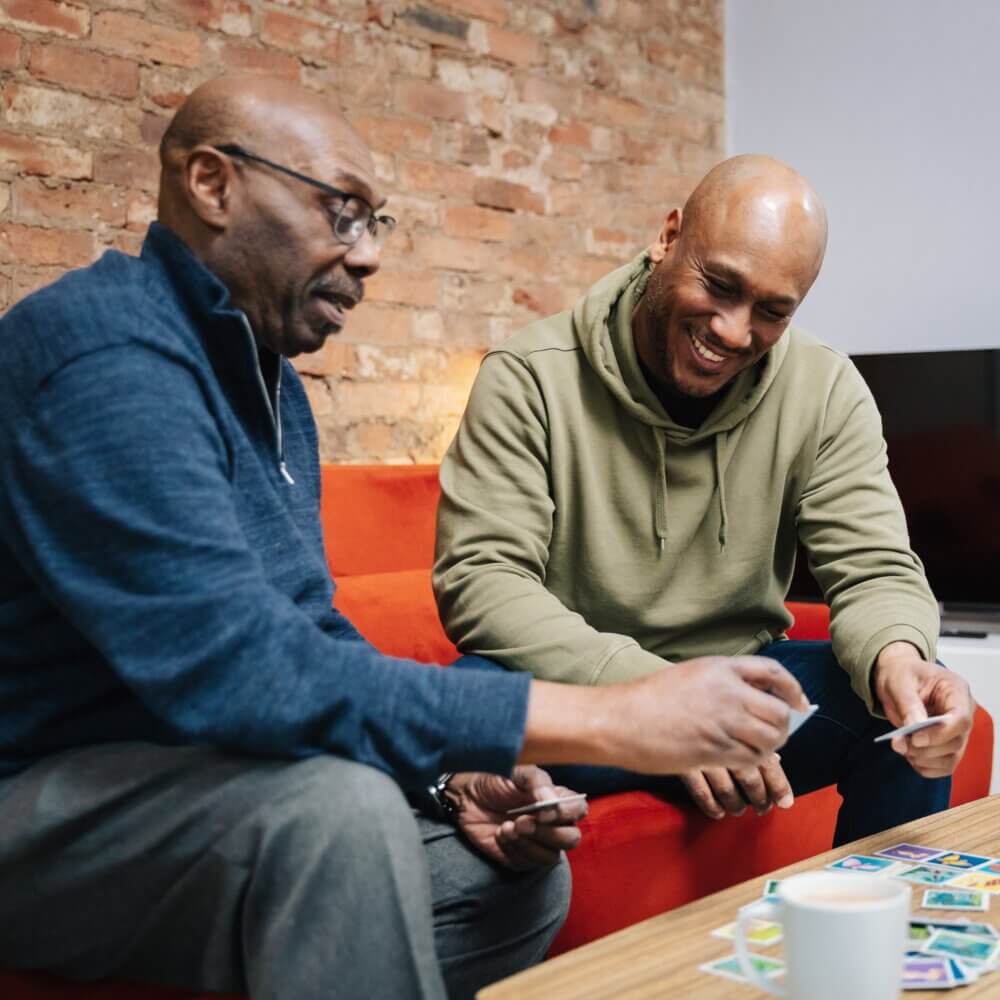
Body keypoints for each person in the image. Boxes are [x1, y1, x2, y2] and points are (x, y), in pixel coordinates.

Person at [0, 81, 810, 1000]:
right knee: (334, 816)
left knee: (510, 872)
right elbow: (236, 670)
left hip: (198, 793)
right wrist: (616, 715)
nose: (371, 255)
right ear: (211, 184)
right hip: (36, 801)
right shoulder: (100, 353)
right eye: (341, 213)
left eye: (377, 221)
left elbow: (308, 631)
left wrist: (450, 777)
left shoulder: (271, 387)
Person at [433, 154, 977, 846]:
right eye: (720, 286)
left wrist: (900, 658)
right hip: (590, 699)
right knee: (464, 707)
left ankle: (877, 942)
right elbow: (483, 581)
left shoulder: (825, 390)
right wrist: (661, 703)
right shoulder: (528, 379)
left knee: (902, 705)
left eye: (772, 312)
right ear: (667, 238)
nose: (733, 331)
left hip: (743, 698)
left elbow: (874, 569)